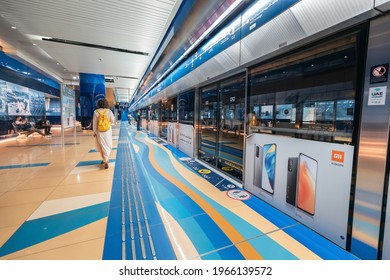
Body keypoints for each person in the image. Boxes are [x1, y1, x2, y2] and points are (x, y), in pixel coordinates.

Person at [93, 98, 115, 169]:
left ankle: (104, 160)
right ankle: (106, 159)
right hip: (107, 131)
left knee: (102, 146)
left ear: (98, 104)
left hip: (99, 131)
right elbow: (113, 120)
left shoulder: (96, 112)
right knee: (108, 145)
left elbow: (94, 123)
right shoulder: (109, 111)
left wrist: (94, 132)